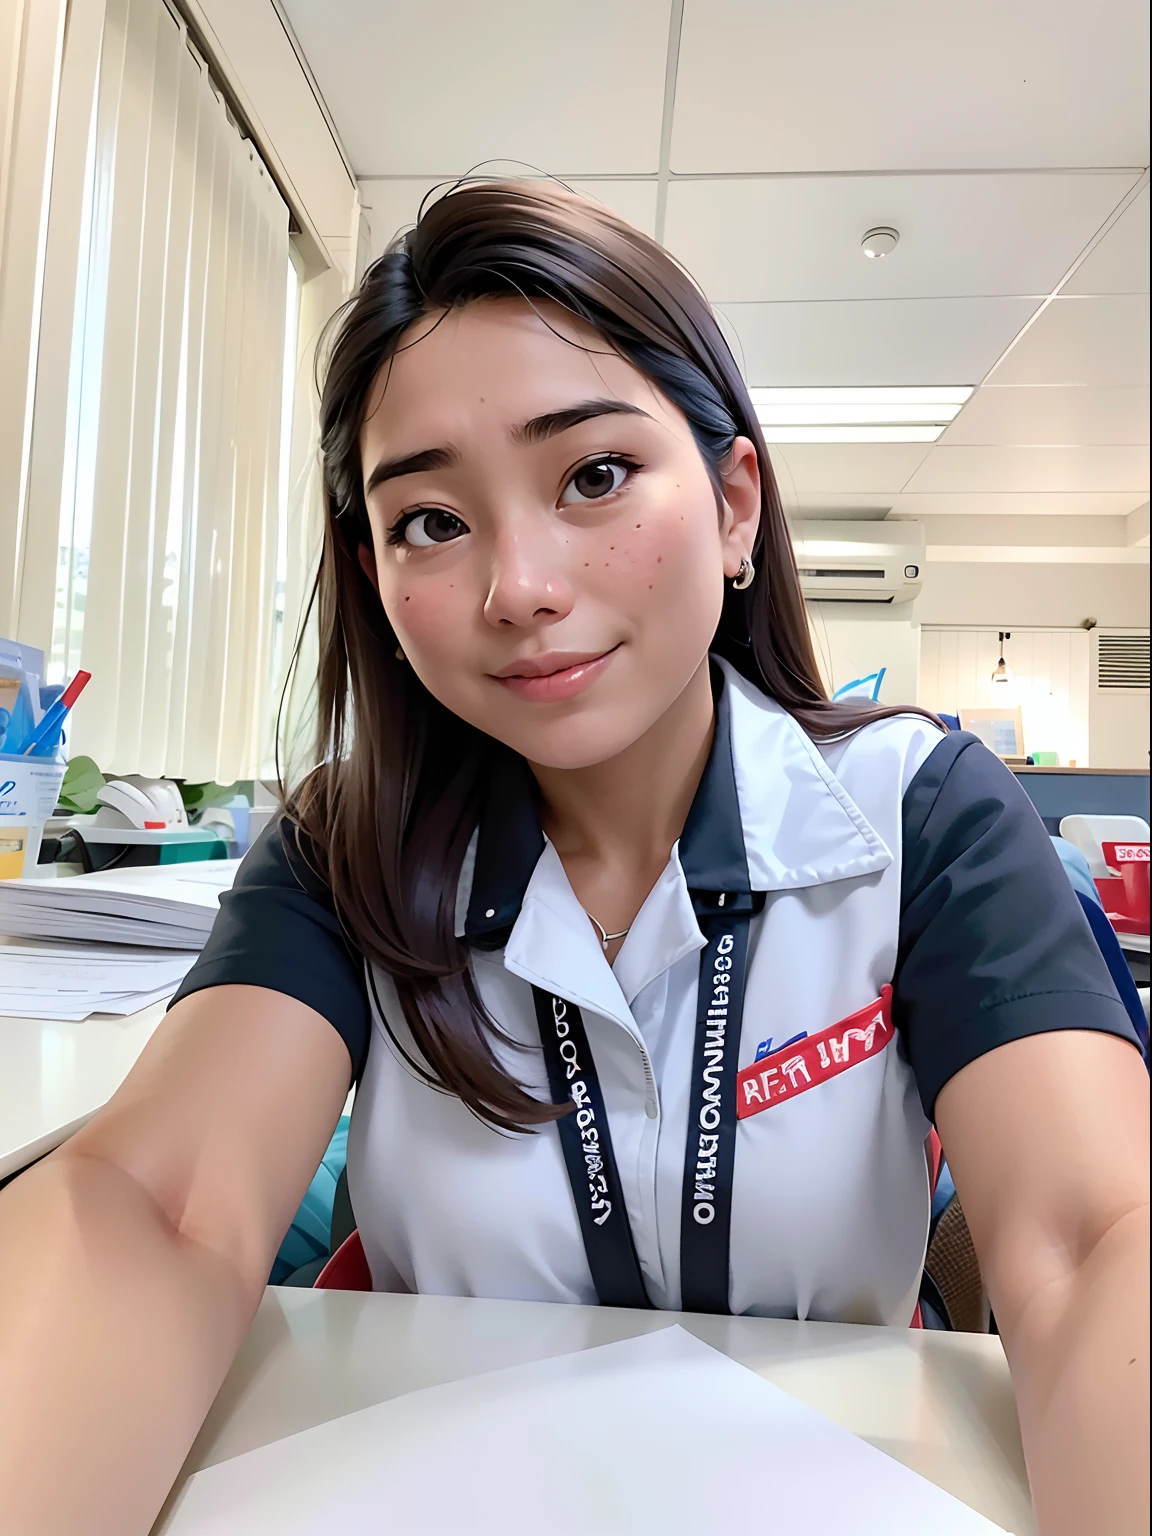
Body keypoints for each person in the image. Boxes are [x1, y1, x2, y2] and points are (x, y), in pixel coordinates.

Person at [0, 182, 1147, 1536]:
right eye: (432, 519)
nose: (519, 586)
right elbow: (160, 1206)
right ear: (374, 573)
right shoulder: (340, 848)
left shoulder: (922, 814)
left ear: (732, 505)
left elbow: (1091, 1242)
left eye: (594, 475)